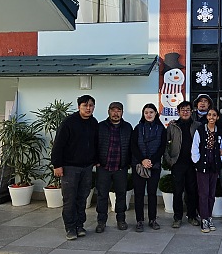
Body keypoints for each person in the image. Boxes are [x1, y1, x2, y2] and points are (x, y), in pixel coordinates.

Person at [51, 94, 98, 241]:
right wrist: (57, 165)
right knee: (69, 198)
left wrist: (96, 160)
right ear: (79, 107)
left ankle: (79, 225)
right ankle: (70, 228)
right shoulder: (69, 122)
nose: (88, 108)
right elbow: (58, 145)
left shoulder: (93, 122)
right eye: (85, 106)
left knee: (82, 197)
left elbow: (95, 144)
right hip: (70, 167)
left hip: (87, 167)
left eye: (91, 105)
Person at [95, 102, 133, 233]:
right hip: (103, 167)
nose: (116, 113)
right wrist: (96, 161)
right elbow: (95, 145)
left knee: (121, 195)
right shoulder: (100, 126)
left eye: (119, 110)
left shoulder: (127, 127)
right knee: (102, 195)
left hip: (120, 168)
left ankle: (121, 220)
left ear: (122, 112)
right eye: (113, 110)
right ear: (108, 111)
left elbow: (131, 147)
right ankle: (101, 222)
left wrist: (128, 163)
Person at [131, 104, 166, 232]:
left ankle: (152, 219)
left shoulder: (161, 129)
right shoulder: (138, 128)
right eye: (146, 112)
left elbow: (162, 147)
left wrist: (151, 161)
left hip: (154, 166)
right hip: (139, 165)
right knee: (139, 194)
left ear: (156, 113)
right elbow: (133, 146)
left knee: (152, 194)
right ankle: (139, 220)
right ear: (143, 114)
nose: (149, 115)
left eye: (151, 112)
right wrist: (143, 160)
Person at [166, 100, 200, 228]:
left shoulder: (197, 125)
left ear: (191, 111)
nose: (185, 112)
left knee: (192, 191)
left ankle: (192, 216)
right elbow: (166, 143)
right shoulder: (173, 126)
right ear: (178, 112)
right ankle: (177, 218)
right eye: (182, 110)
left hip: (192, 164)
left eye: (187, 110)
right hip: (178, 164)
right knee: (177, 191)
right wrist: (169, 160)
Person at [191, 107, 222, 233]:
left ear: (217, 117)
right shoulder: (200, 130)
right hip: (202, 165)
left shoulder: (219, 131)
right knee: (203, 193)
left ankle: (209, 217)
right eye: (209, 115)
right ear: (206, 117)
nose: (211, 117)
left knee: (211, 194)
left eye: (214, 115)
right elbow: (195, 147)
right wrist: (197, 162)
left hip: (214, 165)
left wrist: (220, 160)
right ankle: (204, 218)